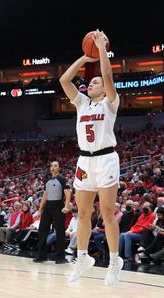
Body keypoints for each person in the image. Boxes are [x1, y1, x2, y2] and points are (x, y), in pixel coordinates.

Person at [60, 30, 123, 285]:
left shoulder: (111, 102)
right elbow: (65, 80)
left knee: (107, 212)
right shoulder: (82, 103)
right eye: (91, 83)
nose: (91, 85)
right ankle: (83, 257)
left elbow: (107, 75)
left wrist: (102, 50)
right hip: (84, 161)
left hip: (106, 158)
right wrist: (84, 58)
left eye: (94, 83)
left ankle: (115, 261)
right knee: (83, 213)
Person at [33, 161, 71, 264]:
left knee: (59, 232)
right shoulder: (47, 181)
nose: (53, 167)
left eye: (55, 165)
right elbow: (45, 196)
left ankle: (60, 257)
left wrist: (66, 206)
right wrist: (40, 209)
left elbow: (68, 194)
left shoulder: (62, 180)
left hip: (59, 206)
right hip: (48, 207)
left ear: (59, 168)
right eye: (51, 166)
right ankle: (41, 256)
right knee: (42, 230)